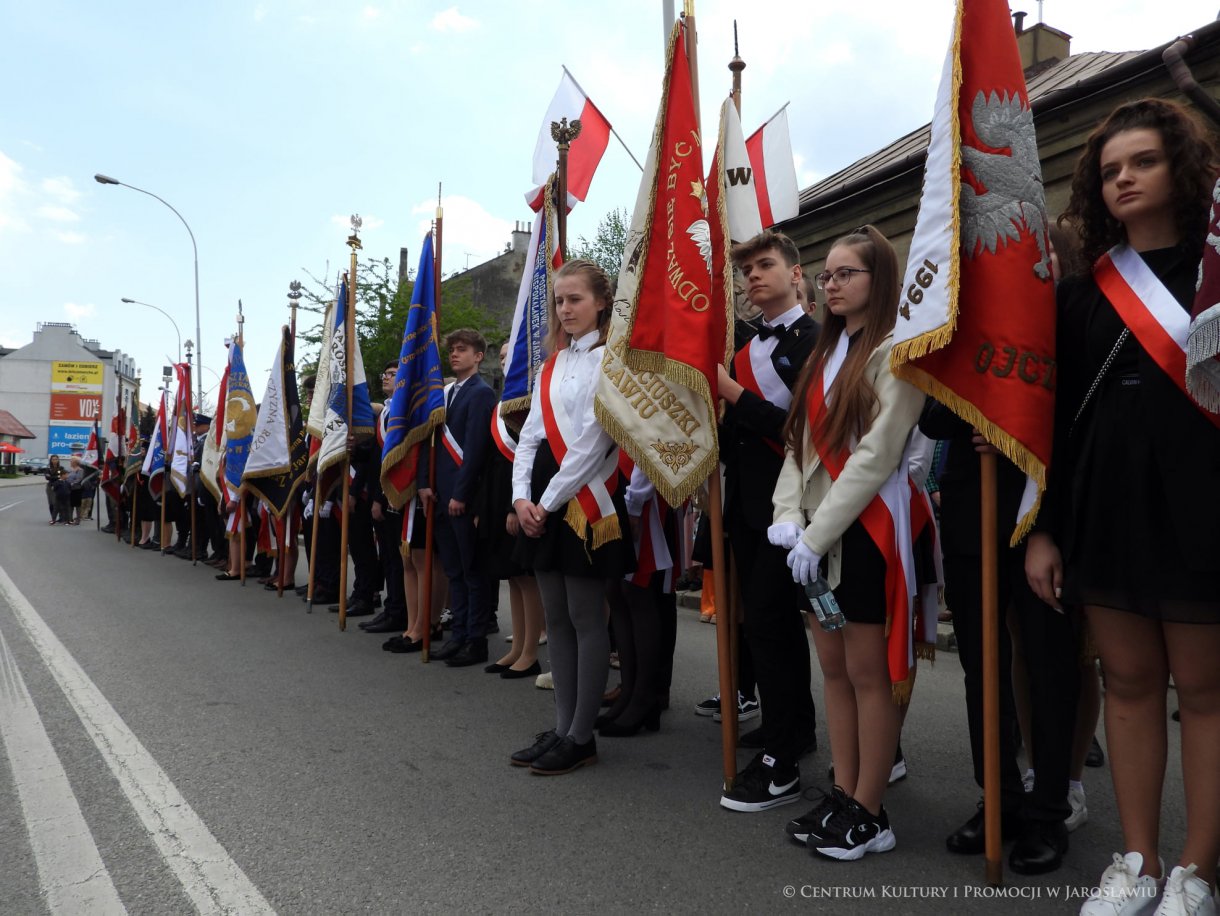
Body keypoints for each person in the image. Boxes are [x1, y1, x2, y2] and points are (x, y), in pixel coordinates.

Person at [1026, 98, 1220, 916]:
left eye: (1142, 161)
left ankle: (1197, 871)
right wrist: (1044, 528)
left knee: (1205, 693)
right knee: (1130, 684)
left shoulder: (1217, 276)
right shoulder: (1080, 296)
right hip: (1106, 507)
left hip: (1203, 508)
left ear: (1182, 167)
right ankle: (1137, 861)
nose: (1124, 179)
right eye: (1110, 170)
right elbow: (1057, 422)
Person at [769, 225, 924, 860]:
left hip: (866, 529)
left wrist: (819, 529)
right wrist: (785, 515)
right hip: (811, 533)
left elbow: (877, 455)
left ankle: (869, 809)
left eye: (846, 274)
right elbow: (797, 446)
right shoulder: (823, 355)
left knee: (868, 673)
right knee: (832, 669)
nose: (831, 285)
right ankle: (842, 787)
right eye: (827, 275)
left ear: (877, 279)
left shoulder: (898, 352)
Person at [509, 259, 633, 776]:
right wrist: (520, 497)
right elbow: (531, 437)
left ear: (601, 302)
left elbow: (592, 440)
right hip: (542, 499)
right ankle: (561, 727)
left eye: (576, 299)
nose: (566, 309)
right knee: (554, 617)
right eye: (560, 301)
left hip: (585, 501)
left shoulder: (614, 360)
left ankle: (582, 735)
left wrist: (548, 501)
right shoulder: (552, 366)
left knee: (585, 618)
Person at [715, 230, 819, 812]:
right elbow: (738, 435)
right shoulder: (745, 348)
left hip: (792, 509)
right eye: (746, 269)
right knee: (763, 625)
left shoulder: (817, 341)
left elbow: (799, 429)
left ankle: (783, 750)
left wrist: (730, 391)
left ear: (796, 271)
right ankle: (793, 725)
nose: (753, 277)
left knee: (775, 625)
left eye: (765, 265)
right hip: (746, 505)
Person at [419, 329, 497, 667]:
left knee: (471, 571)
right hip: (438, 494)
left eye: (462, 350)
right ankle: (459, 634)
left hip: (461, 498)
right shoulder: (446, 393)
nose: (454, 355)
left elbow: (476, 449)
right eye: (451, 350)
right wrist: (424, 483)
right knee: (453, 571)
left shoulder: (481, 394)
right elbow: (430, 440)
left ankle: (475, 639)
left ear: (478, 356)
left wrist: (462, 494)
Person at [478, 343, 544, 678]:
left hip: (519, 499)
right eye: (501, 358)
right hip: (499, 496)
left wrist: (512, 506)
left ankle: (531, 651)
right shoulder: (505, 400)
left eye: (510, 357)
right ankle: (518, 645)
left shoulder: (529, 398)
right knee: (514, 578)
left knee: (526, 578)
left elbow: (527, 458)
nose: (505, 362)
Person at [44, 454, 70, 524]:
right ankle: (53, 517)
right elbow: (47, 477)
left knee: (59, 502)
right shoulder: (48, 468)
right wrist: (56, 476)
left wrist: (53, 477)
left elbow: (60, 476)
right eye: (53, 459)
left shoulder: (61, 468)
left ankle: (61, 517)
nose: (54, 461)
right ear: (51, 460)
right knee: (51, 503)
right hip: (50, 486)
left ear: (58, 460)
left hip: (59, 486)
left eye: (56, 459)